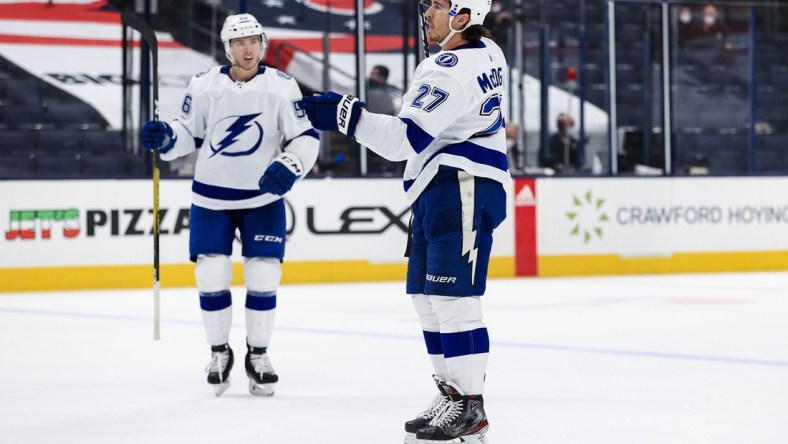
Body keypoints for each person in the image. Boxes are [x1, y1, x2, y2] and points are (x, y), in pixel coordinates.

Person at [298, 0, 509, 441]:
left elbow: (403, 141)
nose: (427, 12)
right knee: (427, 298)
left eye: (438, 4)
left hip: (462, 186)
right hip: (443, 185)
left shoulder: (448, 67)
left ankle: (471, 407)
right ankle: (453, 395)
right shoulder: (489, 51)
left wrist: (348, 116)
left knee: (455, 301)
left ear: (463, 15)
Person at [140, 13, 319, 397]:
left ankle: (258, 355)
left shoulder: (283, 87)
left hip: (263, 198)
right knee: (211, 274)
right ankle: (219, 353)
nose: (248, 48)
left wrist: (292, 164)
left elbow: (305, 137)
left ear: (263, 43)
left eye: (253, 40)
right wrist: (168, 137)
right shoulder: (204, 85)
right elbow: (189, 133)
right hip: (211, 197)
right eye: (239, 42)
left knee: (263, 277)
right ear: (227, 48)